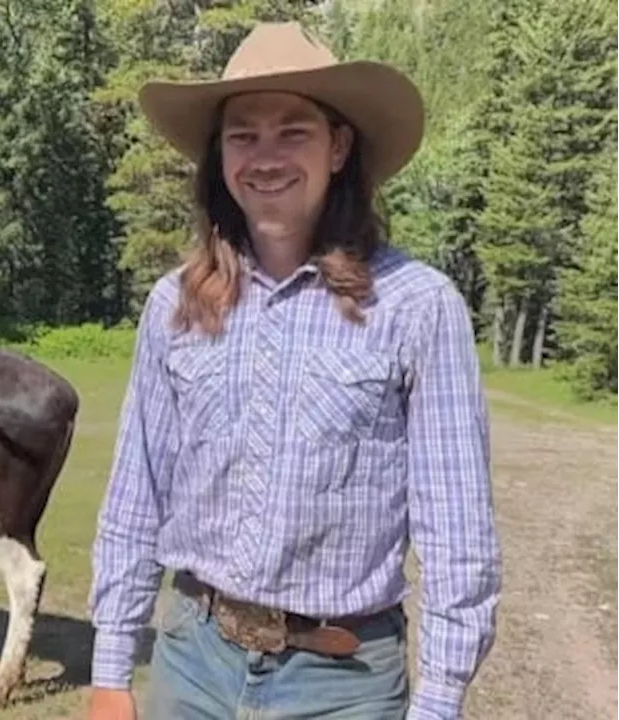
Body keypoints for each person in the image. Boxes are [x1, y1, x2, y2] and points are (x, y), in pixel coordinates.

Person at [86, 21, 502, 720]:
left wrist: (440, 701)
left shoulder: (417, 306)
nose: (266, 156)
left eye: (293, 132)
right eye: (243, 134)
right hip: (193, 661)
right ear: (219, 156)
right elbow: (136, 494)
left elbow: (458, 527)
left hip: (343, 683)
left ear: (338, 147)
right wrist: (108, 673)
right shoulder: (175, 306)